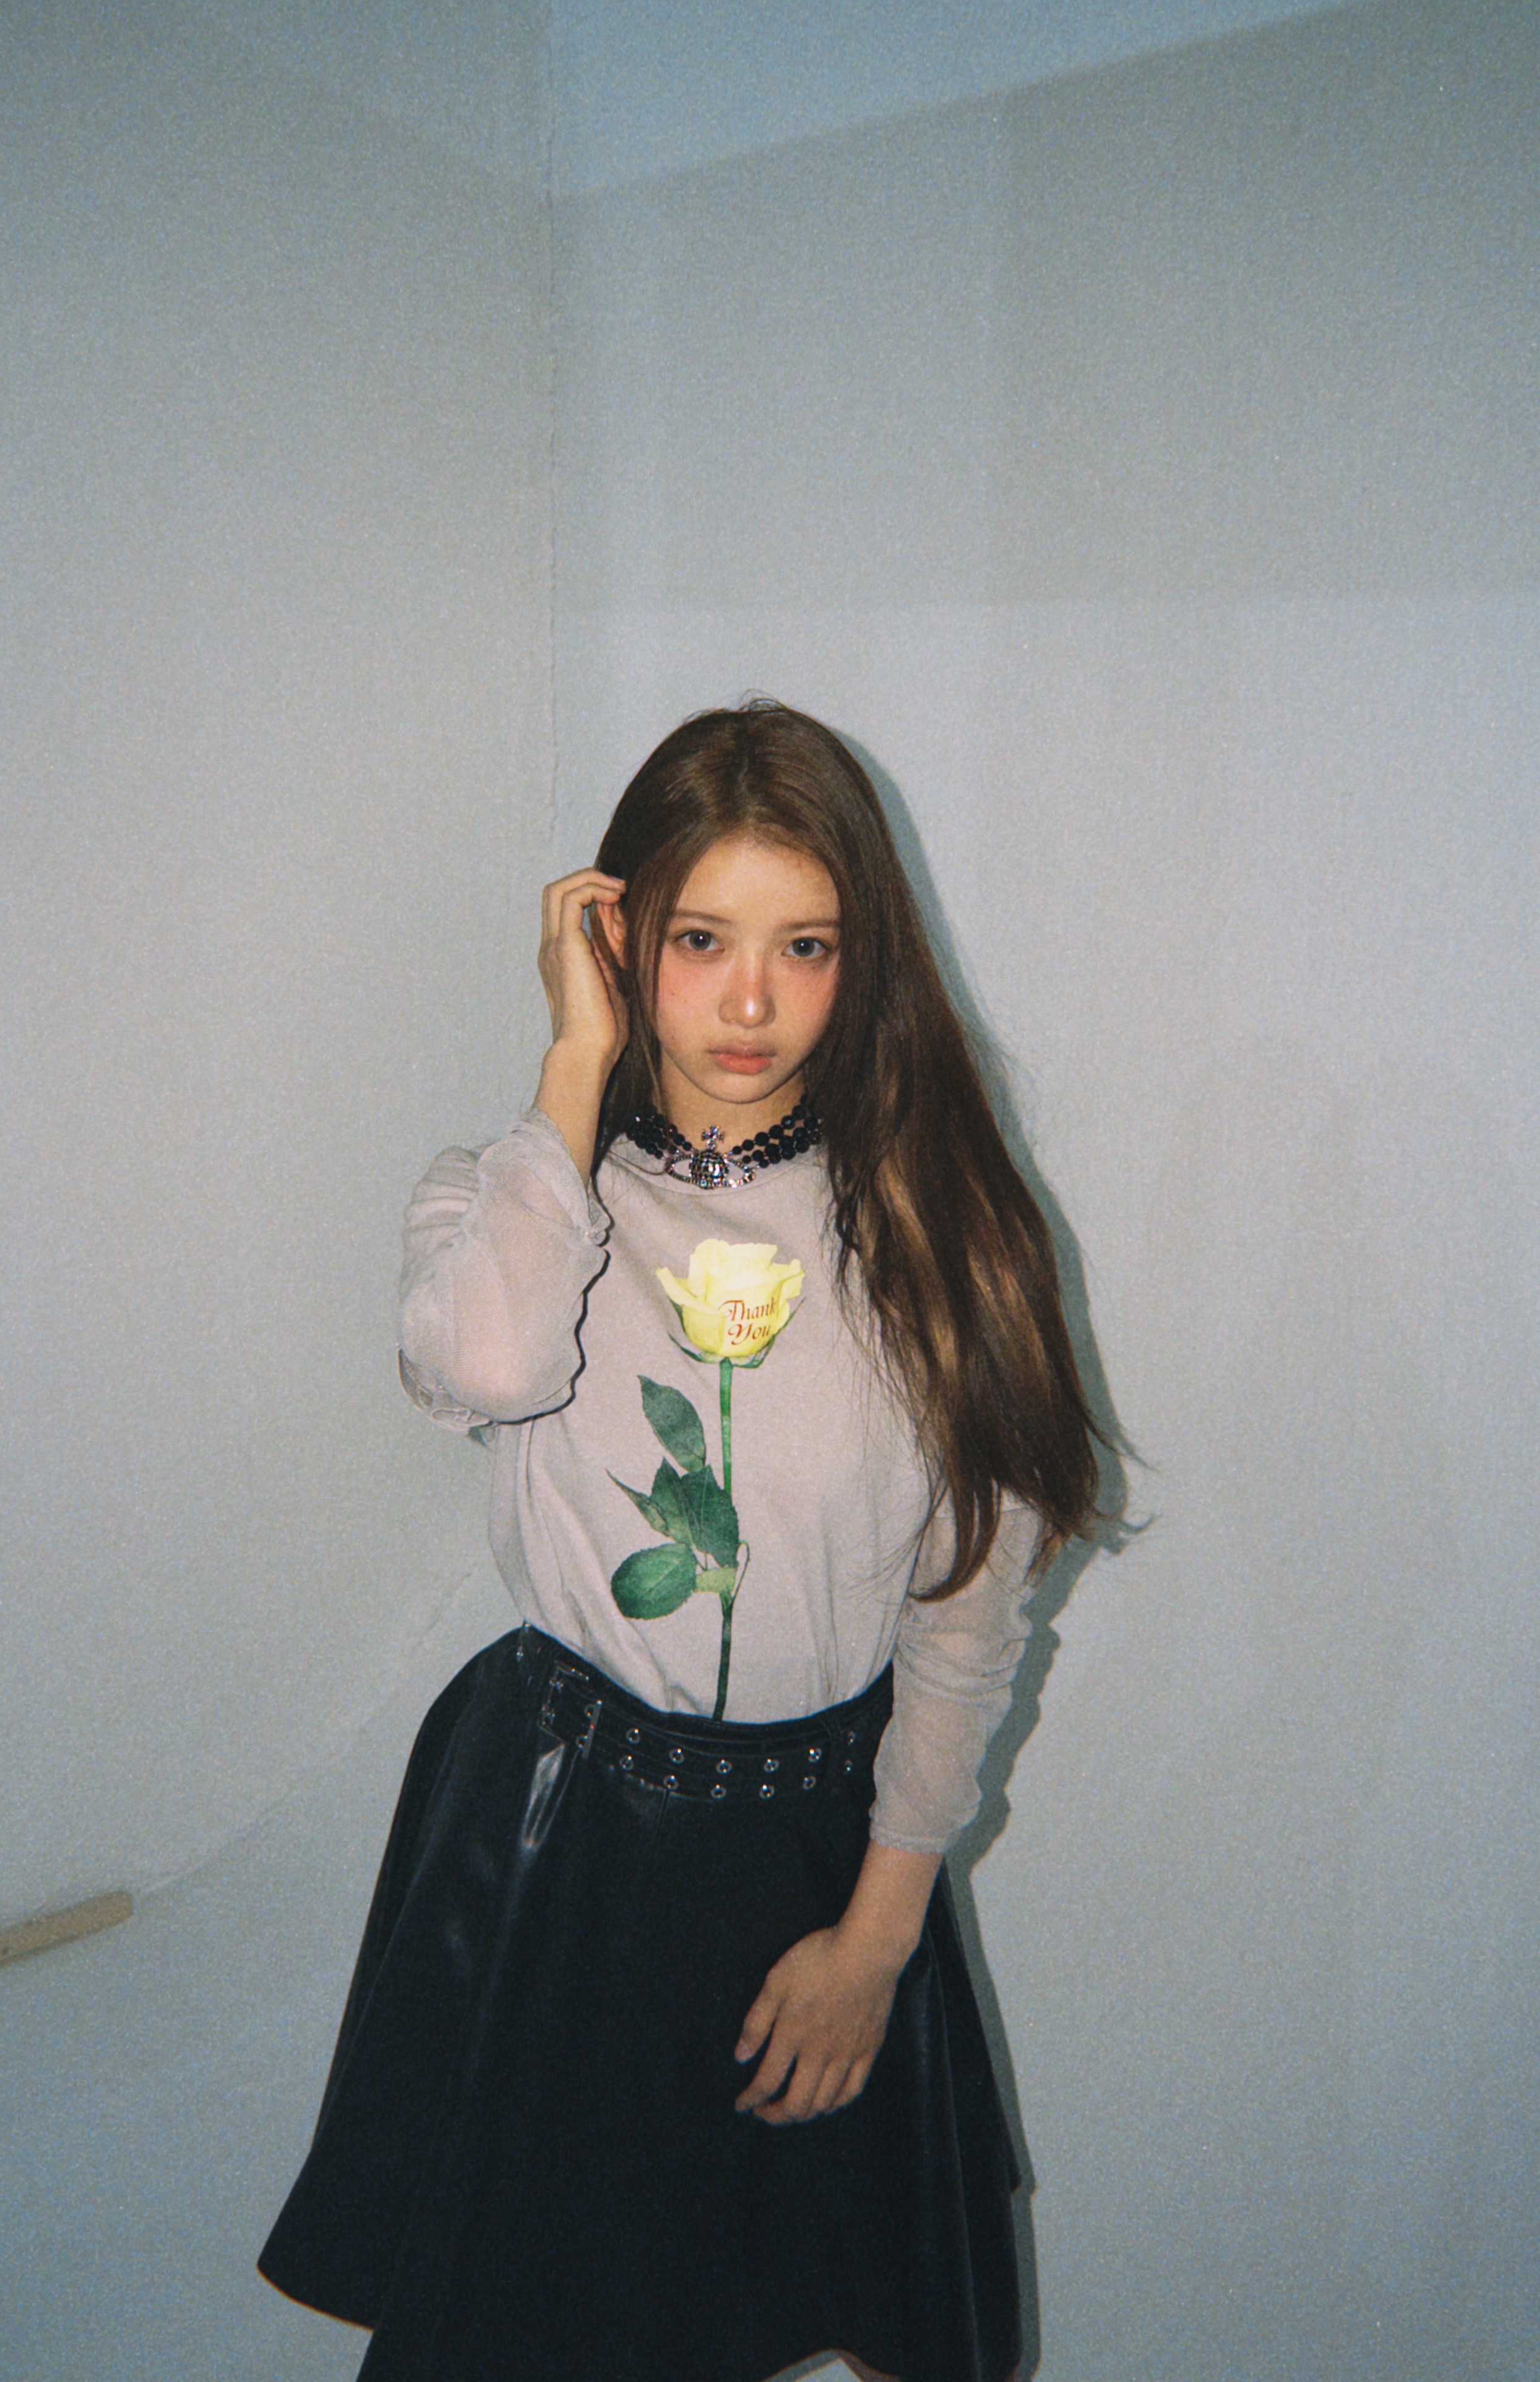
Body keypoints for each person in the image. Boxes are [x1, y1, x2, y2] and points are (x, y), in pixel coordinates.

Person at [259, 701, 1100, 2382]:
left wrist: (877, 1942)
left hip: (827, 1857)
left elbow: (964, 1620)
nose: (750, 1002)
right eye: (700, 940)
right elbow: (487, 1367)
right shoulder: (506, 1196)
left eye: (807, 946)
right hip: (563, 1839)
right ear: (617, 937)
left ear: (865, 962)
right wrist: (570, 1068)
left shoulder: (943, 1232)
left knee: (862, 2318)